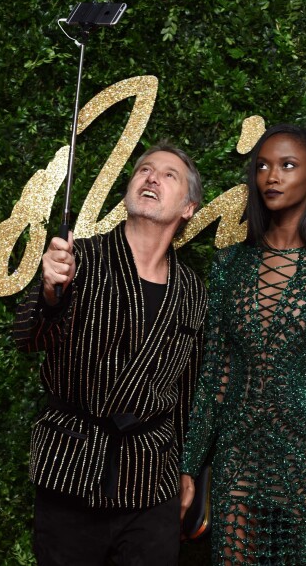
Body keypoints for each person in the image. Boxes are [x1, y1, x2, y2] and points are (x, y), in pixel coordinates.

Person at [179, 124, 306, 564]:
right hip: (238, 454)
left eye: (288, 165)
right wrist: (190, 465)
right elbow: (214, 377)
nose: (272, 176)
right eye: (263, 165)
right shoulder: (229, 265)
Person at [14, 142, 208, 565]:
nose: (151, 177)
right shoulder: (77, 258)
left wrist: (189, 469)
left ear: (189, 208)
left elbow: (189, 392)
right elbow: (28, 338)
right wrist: (50, 292)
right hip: (71, 466)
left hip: (152, 478)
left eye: (168, 175)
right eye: (143, 170)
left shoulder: (192, 290)